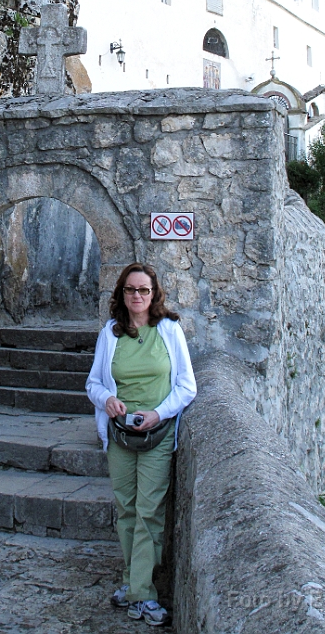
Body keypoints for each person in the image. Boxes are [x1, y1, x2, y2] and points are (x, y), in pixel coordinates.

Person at [86, 263, 197, 627]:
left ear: (154, 294)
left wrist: (157, 412)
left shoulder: (168, 330)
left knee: (149, 513)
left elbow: (186, 386)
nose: (137, 296)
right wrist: (108, 401)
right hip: (119, 435)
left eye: (144, 290)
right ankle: (133, 582)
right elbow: (93, 383)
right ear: (121, 293)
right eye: (131, 290)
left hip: (157, 435)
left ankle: (142, 595)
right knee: (127, 510)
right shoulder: (110, 333)